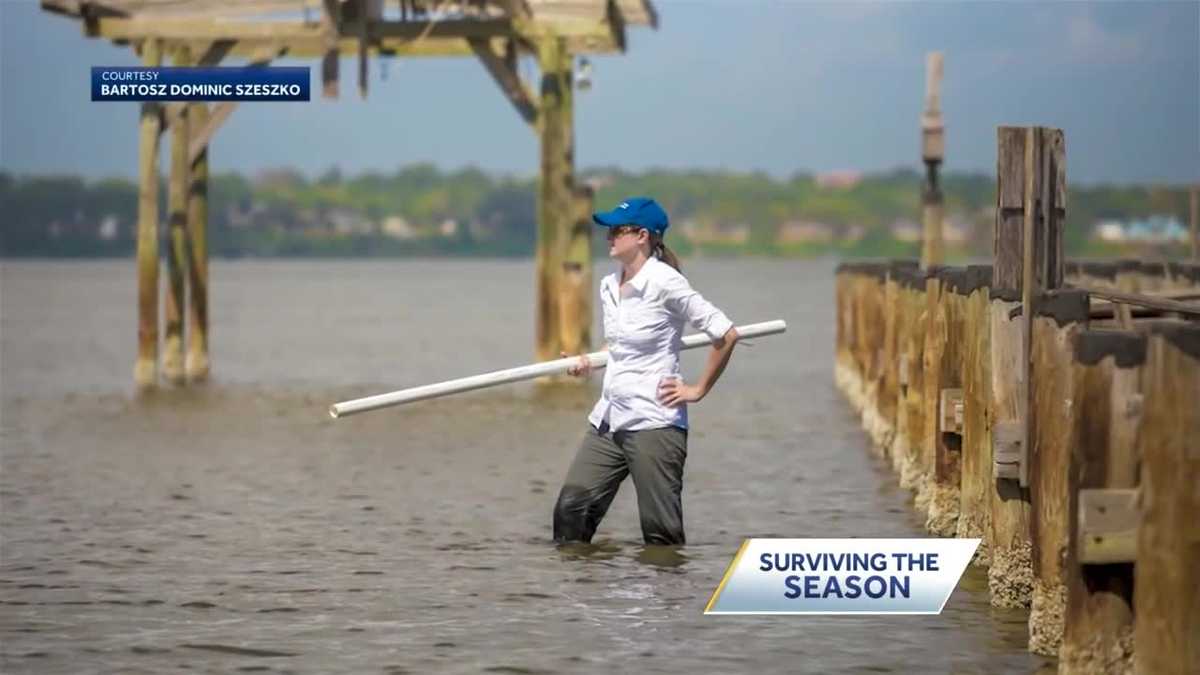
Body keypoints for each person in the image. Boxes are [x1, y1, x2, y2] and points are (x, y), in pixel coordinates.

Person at [552, 197, 739, 546]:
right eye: (607, 230)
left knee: (661, 537)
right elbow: (619, 345)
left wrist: (697, 390)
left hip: (654, 423)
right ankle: (582, 580)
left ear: (642, 236)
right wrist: (589, 361)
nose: (608, 237)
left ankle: (665, 583)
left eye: (616, 230)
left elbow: (726, 334)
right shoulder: (609, 285)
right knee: (570, 512)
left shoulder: (665, 282)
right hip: (608, 421)